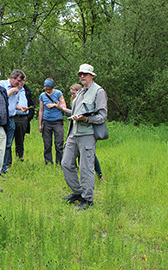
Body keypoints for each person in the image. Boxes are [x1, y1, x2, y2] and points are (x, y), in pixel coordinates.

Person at [61, 64, 108, 210]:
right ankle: (78, 192)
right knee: (66, 163)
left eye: (85, 74)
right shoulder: (80, 92)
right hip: (74, 133)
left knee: (86, 168)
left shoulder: (99, 92)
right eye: (80, 74)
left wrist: (86, 119)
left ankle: (88, 200)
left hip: (87, 134)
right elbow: (76, 111)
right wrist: (64, 110)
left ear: (92, 76)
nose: (82, 76)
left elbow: (102, 116)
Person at [57, 84, 106, 182]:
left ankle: (99, 175)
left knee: (90, 158)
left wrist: (84, 118)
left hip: (87, 132)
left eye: (74, 93)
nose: (72, 96)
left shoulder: (90, 96)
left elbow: (98, 115)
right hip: (75, 132)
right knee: (70, 159)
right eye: (71, 94)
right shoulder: (75, 100)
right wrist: (63, 109)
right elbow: (74, 112)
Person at [0, 69, 27, 174]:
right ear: (12, 78)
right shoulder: (2, 84)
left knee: (8, 144)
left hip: (11, 119)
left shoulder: (17, 89)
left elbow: (12, 105)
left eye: (21, 82)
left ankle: (4, 167)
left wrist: (20, 108)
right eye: (18, 81)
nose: (19, 84)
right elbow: (0, 99)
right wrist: (12, 91)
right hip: (1, 119)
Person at [38, 78, 67, 165]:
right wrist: (40, 124)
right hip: (46, 122)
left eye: (49, 89)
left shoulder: (58, 93)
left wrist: (55, 105)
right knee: (47, 144)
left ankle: (59, 163)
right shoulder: (42, 95)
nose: (47, 90)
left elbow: (64, 108)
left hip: (57, 122)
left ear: (52, 87)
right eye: (45, 88)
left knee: (59, 144)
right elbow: (41, 110)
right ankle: (48, 163)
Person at [12, 82, 35, 163]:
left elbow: (32, 105)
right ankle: (7, 162)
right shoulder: (10, 89)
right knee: (8, 141)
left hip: (23, 119)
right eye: (20, 80)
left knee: (20, 141)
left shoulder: (27, 91)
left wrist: (28, 117)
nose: (21, 82)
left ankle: (19, 159)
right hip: (12, 117)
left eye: (23, 80)